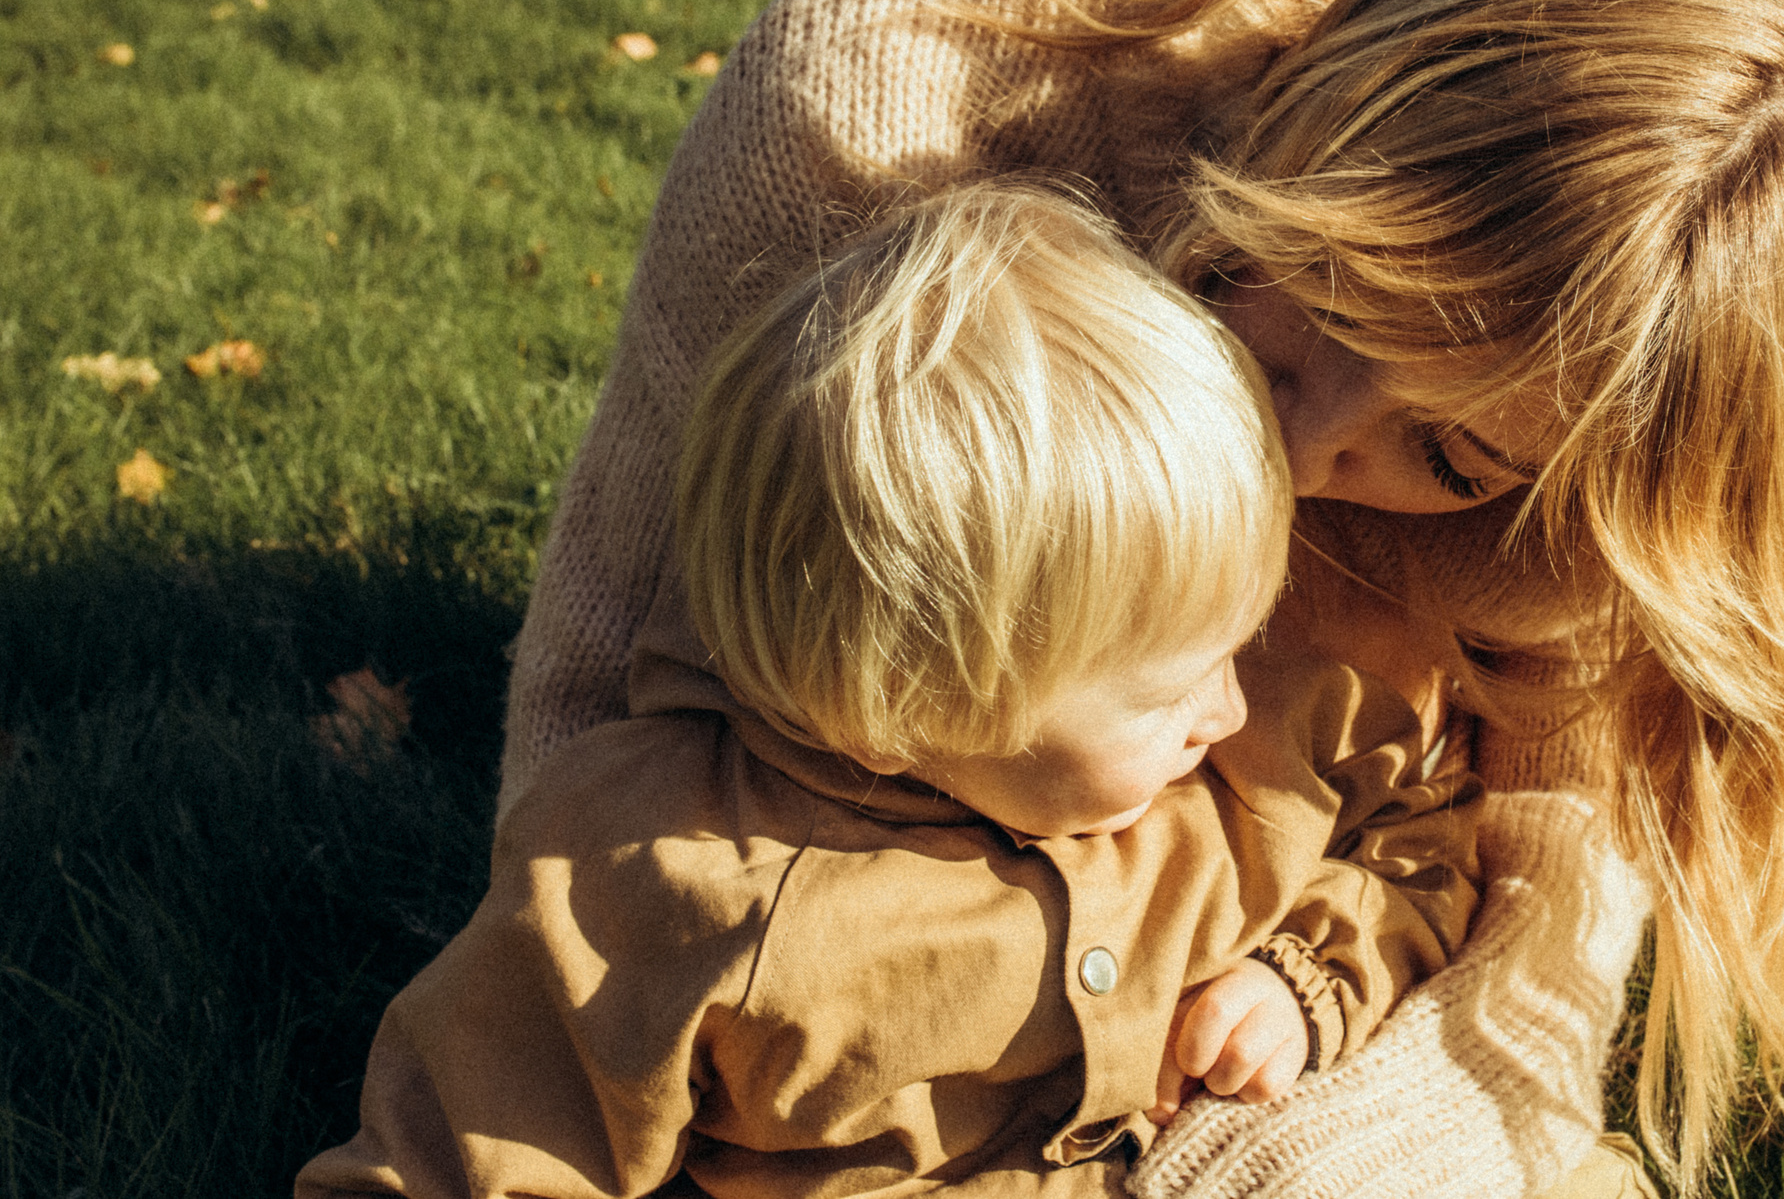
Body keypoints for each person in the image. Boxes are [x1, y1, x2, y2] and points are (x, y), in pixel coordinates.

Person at [501, 0, 1784, 1196]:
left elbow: (1544, 837)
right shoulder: (870, 126)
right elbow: (591, 729)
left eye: (1451, 453)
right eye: (1308, 279)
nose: (1303, 448)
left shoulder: (1628, 315)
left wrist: (1302, 1126)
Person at [298, 184, 1481, 1198]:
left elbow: (1426, 836)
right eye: (1174, 688)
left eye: (1238, 644)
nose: (1224, 710)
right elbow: (469, 1156)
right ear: (909, 712)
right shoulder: (666, 884)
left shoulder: (1240, 762)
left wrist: (1305, 974)